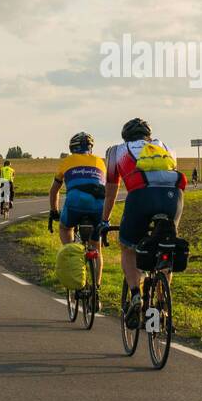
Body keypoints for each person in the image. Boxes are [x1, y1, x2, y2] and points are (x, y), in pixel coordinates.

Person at [100, 118, 186, 329]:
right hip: (173, 197)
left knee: (128, 247)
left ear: (125, 136)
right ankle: (161, 308)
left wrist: (104, 221)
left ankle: (136, 296)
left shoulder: (116, 151)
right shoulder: (166, 147)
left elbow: (111, 193)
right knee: (166, 246)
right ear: (148, 135)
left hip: (141, 197)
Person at [50, 132, 107, 291]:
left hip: (75, 202)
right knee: (97, 248)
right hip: (98, 204)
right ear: (90, 148)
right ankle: (97, 288)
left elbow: (54, 191)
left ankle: (72, 253)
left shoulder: (67, 162)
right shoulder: (100, 162)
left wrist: (54, 211)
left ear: (72, 148)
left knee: (65, 227)